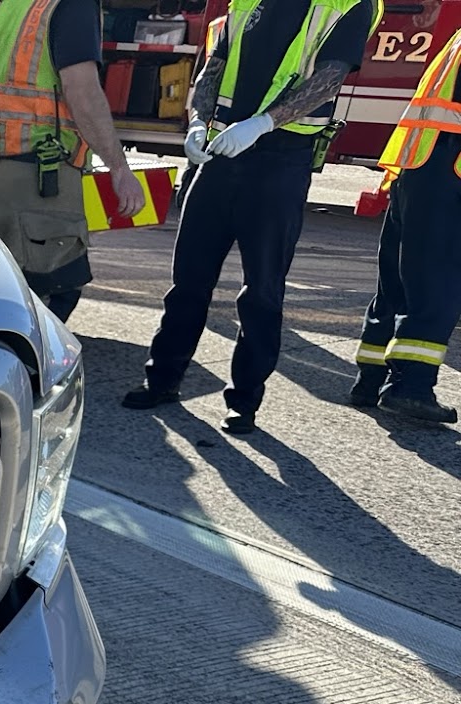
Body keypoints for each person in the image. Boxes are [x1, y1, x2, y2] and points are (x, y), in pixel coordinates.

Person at [122, 0, 376, 434]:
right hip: (221, 153)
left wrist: (262, 123)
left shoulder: (348, 4)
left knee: (261, 291)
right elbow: (214, 67)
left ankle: (244, 402)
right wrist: (198, 120)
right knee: (188, 282)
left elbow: (329, 79)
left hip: (281, 160)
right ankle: (161, 380)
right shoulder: (246, 2)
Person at [0, 0, 144, 322]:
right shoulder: (72, 5)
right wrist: (119, 168)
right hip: (38, 175)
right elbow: (81, 91)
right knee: (51, 293)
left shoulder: (13, 4)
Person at [349, 28, 461, 424]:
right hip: (449, 171)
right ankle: (410, 387)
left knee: (397, 281)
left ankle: (371, 379)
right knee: (437, 283)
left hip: (418, 165)